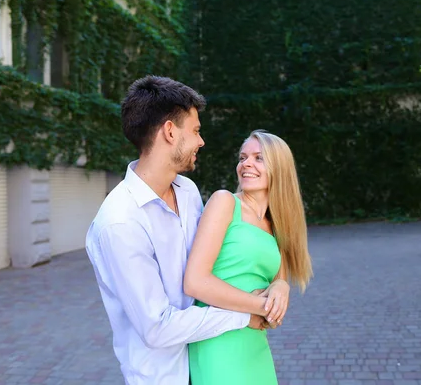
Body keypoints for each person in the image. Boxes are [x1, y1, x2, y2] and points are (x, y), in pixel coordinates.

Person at [84, 76, 267, 385]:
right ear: (170, 131)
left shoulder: (187, 191)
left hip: (210, 362)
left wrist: (277, 285)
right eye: (195, 131)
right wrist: (242, 316)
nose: (201, 141)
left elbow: (216, 264)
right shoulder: (120, 222)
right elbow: (158, 327)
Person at [184, 129, 314, 385]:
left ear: (279, 168)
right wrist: (261, 308)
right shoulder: (225, 202)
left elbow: (280, 278)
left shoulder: (276, 224)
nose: (246, 164)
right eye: (243, 157)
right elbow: (195, 282)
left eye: (258, 158)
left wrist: (281, 286)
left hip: (254, 344)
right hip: (218, 341)